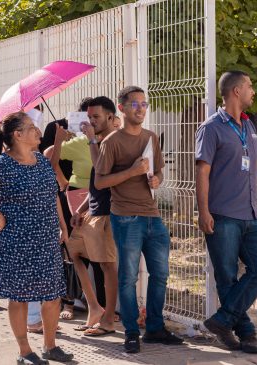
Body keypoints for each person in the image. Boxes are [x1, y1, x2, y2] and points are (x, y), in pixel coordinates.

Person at [0, 112, 73, 364]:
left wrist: (62, 224)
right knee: (20, 297)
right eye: (32, 128)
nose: (37, 131)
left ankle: (50, 346)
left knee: (53, 294)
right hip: (17, 240)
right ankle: (25, 351)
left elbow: (53, 193)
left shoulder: (40, 160)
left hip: (46, 238)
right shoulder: (0, 164)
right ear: (18, 135)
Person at [195, 71, 257, 354]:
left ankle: (221, 320)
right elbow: (202, 172)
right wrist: (203, 211)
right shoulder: (211, 128)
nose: (253, 91)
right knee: (227, 278)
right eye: (250, 86)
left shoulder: (249, 126)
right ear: (236, 91)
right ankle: (246, 332)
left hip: (251, 215)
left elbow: (255, 171)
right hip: (222, 215)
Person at [95, 86, 183, 353]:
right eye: (134, 104)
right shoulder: (111, 142)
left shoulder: (151, 137)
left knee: (161, 274)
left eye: (144, 104)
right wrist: (132, 171)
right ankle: (131, 332)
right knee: (128, 278)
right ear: (121, 108)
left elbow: (158, 173)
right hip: (126, 218)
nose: (141, 108)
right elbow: (100, 182)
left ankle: (155, 328)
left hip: (153, 216)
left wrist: (157, 179)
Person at [55, 97, 122, 336]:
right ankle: (95, 307)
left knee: (106, 265)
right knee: (74, 252)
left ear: (112, 119)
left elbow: (102, 170)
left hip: (106, 213)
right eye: (89, 117)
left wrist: (91, 139)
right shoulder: (97, 142)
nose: (91, 121)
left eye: (96, 117)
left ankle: (108, 319)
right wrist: (82, 210)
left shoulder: (112, 142)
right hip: (91, 211)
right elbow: (96, 182)